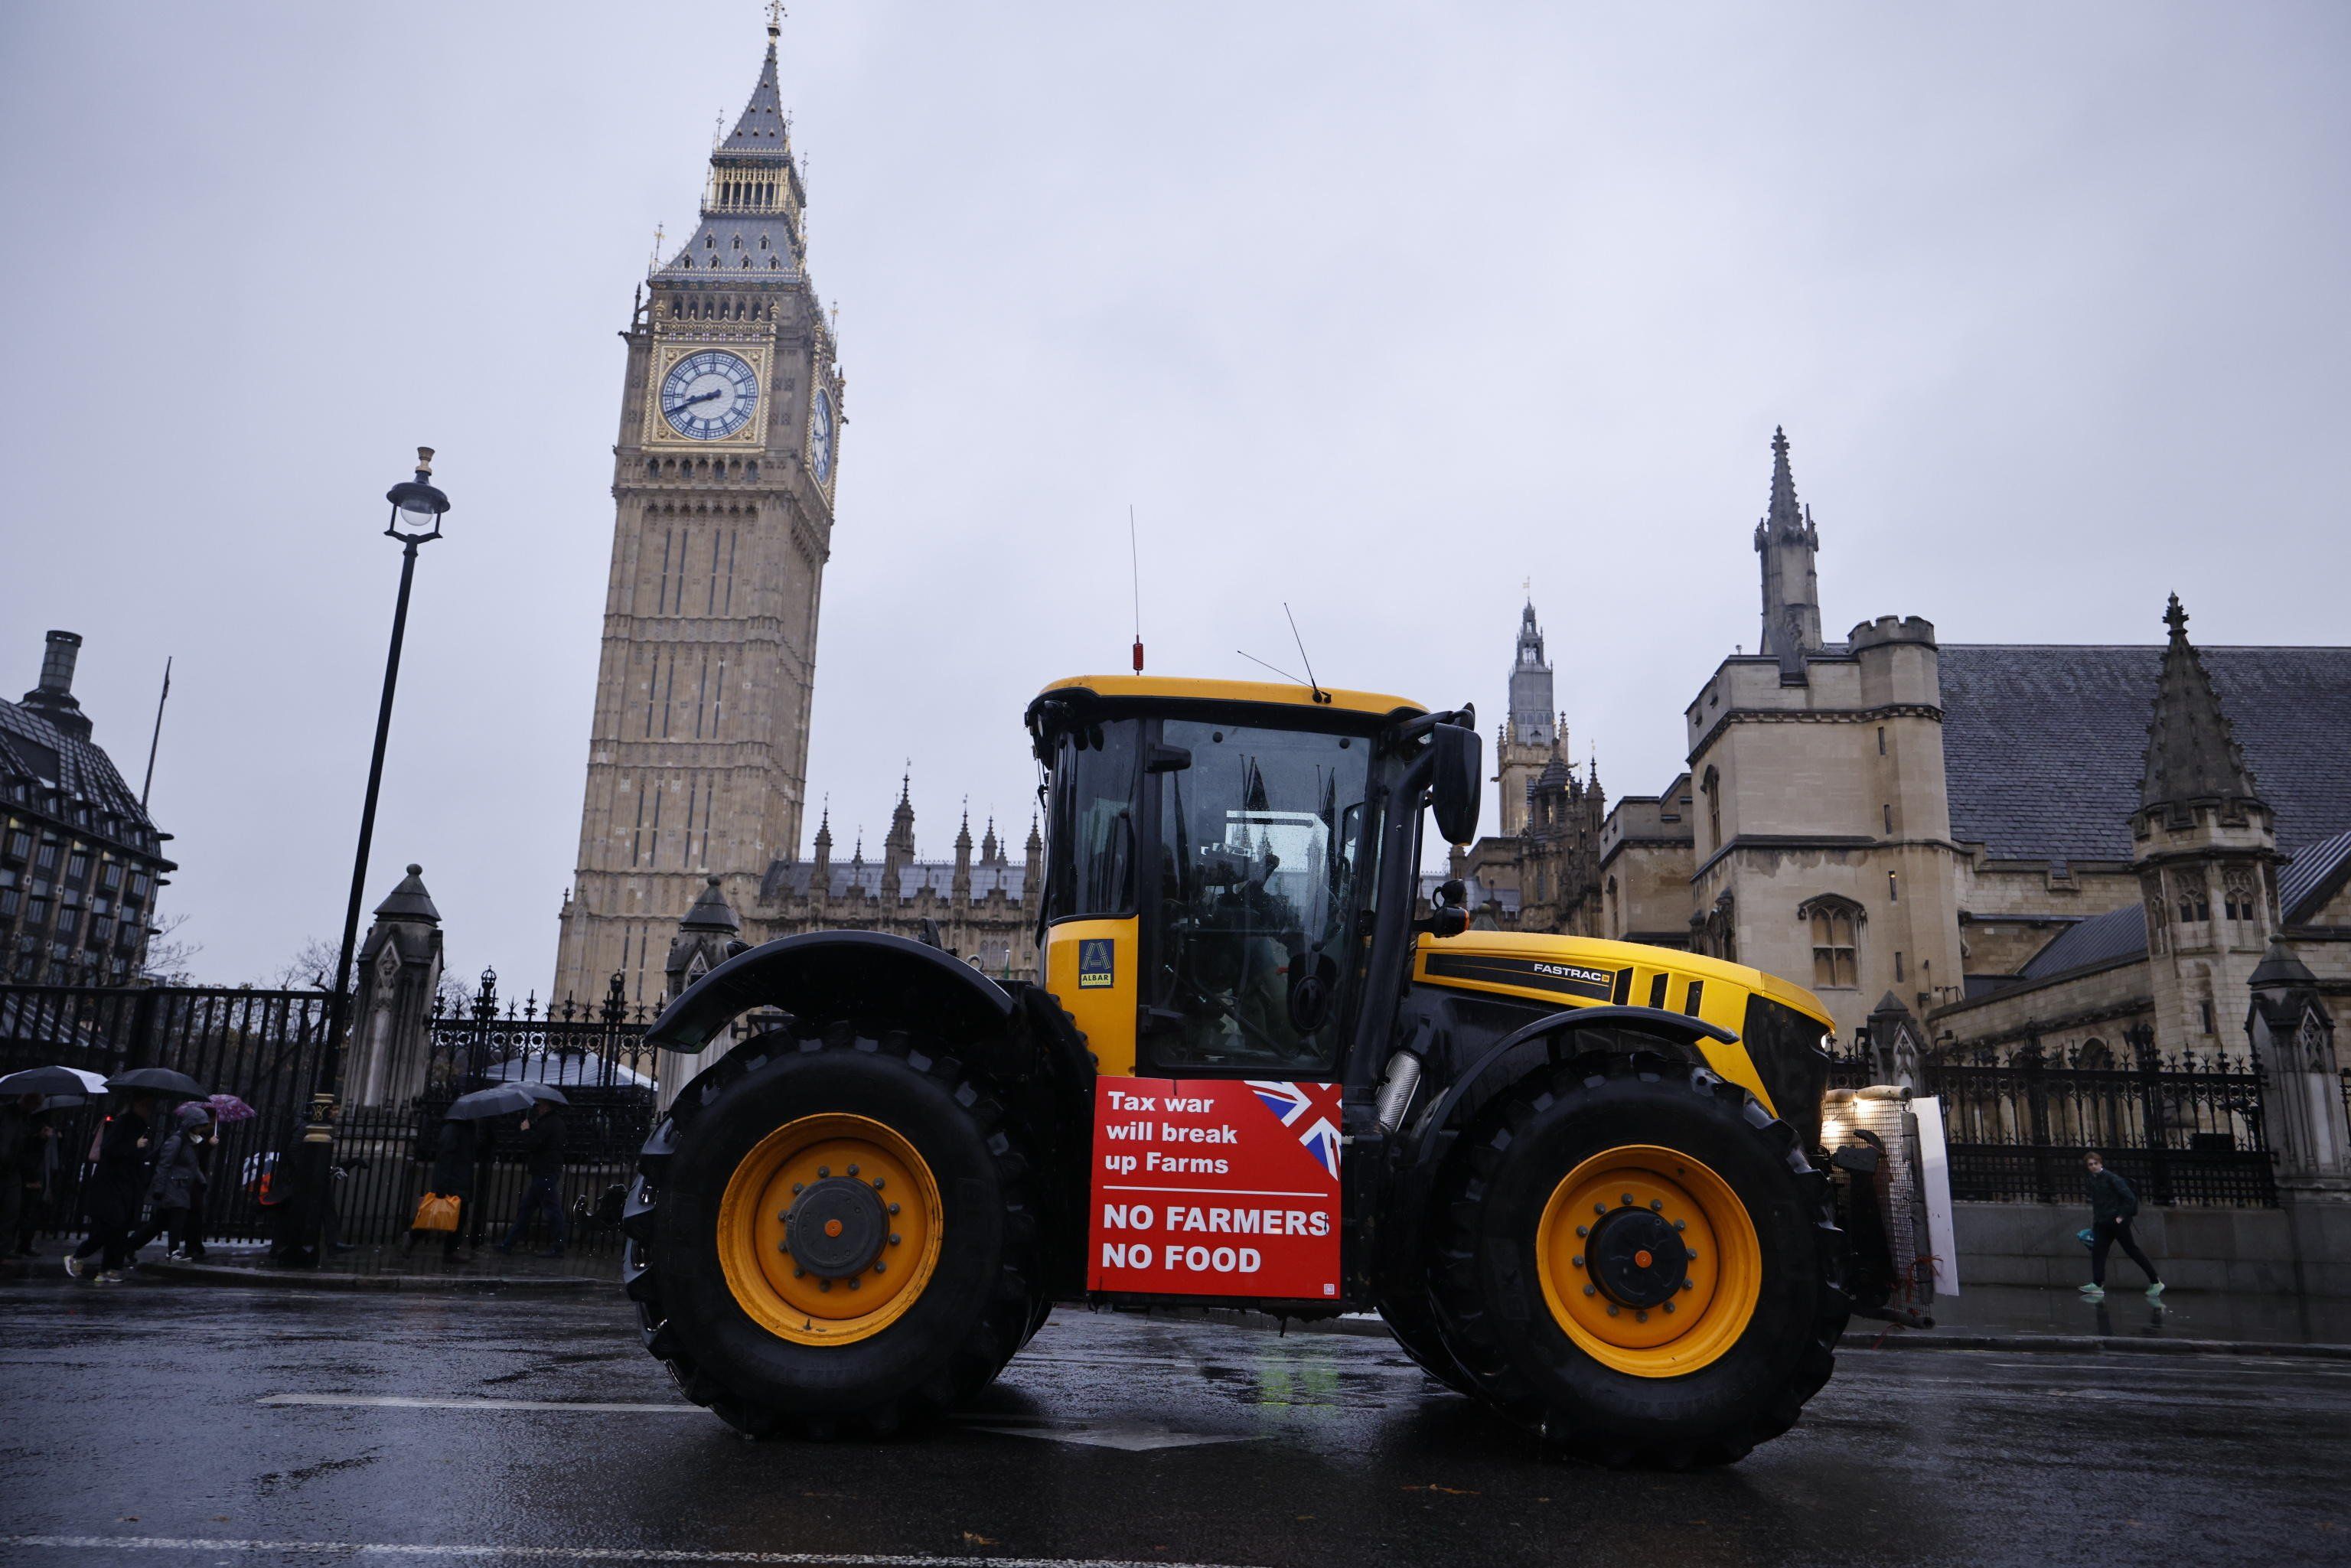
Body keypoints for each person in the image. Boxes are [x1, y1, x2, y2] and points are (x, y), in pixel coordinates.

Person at [67, 1092, 157, 1283]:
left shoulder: (139, 1125)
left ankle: (110, 1268)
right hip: (112, 1184)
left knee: (119, 1227)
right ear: (136, 1105)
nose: (149, 1110)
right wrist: (135, 1145)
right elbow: (109, 1150)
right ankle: (80, 1256)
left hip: (125, 1183)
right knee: (111, 1225)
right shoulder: (124, 1123)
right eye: (146, 1105)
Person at [127, 1103, 214, 1263]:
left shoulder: (190, 1143)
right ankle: (173, 1251)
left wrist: (201, 1181)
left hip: (180, 1186)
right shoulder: (177, 1141)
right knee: (177, 1218)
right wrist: (159, 1188)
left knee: (158, 1224)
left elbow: (192, 1165)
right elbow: (164, 1165)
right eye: (200, 1126)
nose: (202, 1130)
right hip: (173, 1187)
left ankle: (129, 1246)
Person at [2080, 1151, 2164, 1301]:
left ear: (2101, 1163)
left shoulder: (2112, 1178)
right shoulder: (2093, 1180)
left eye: (2095, 1164)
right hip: (2103, 1222)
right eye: (2090, 1165)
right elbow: (2099, 1203)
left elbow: (2130, 1198)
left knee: (2132, 1250)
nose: (2093, 1167)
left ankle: (2155, 1281)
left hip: (2116, 1222)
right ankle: (2097, 1284)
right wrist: (2097, 1222)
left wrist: (2121, 1217)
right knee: (2098, 1252)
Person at [498, 1102, 568, 1259]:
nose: (537, 1108)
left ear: (546, 1107)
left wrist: (526, 1130)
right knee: (527, 1210)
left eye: (540, 1106)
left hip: (544, 1171)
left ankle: (559, 1247)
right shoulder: (555, 1122)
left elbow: (533, 1144)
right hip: (547, 1170)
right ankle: (508, 1243)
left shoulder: (548, 1123)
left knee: (551, 1210)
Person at [417, 1115, 484, 1261]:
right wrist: (441, 1186)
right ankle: (413, 1237)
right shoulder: (453, 1129)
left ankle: (450, 1251)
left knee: (460, 1216)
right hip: (452, 1180)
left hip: (461, 1179)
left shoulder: (468, 1129)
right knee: (436, 1215)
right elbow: (444, 1157)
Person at [5, 1094, 57, 1256]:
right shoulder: (19, 1119)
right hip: (14, 1169)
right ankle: (12, 1247)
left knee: (14, 1213)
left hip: (15, 1169)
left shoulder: (23, 1119)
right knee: (13, 1212)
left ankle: (9, 1248)